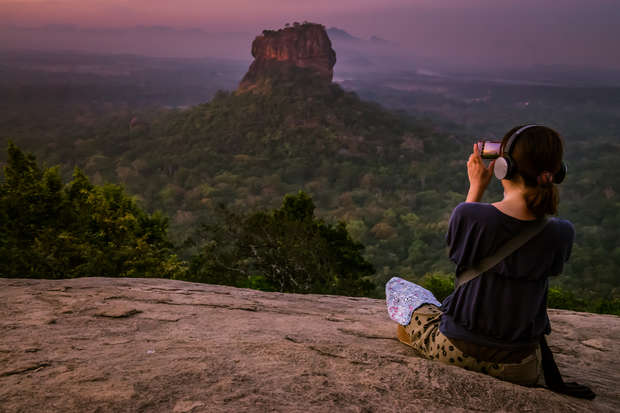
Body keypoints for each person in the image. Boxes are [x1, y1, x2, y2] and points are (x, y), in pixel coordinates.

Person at [388, 124, 595, 399]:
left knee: (400, 288)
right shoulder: (562, 232)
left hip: (454, 352)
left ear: (503, 167)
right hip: (520, 367)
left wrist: (476, 188)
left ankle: (417, 336)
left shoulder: (470, 215)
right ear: (557, 172)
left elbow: (459, 253)